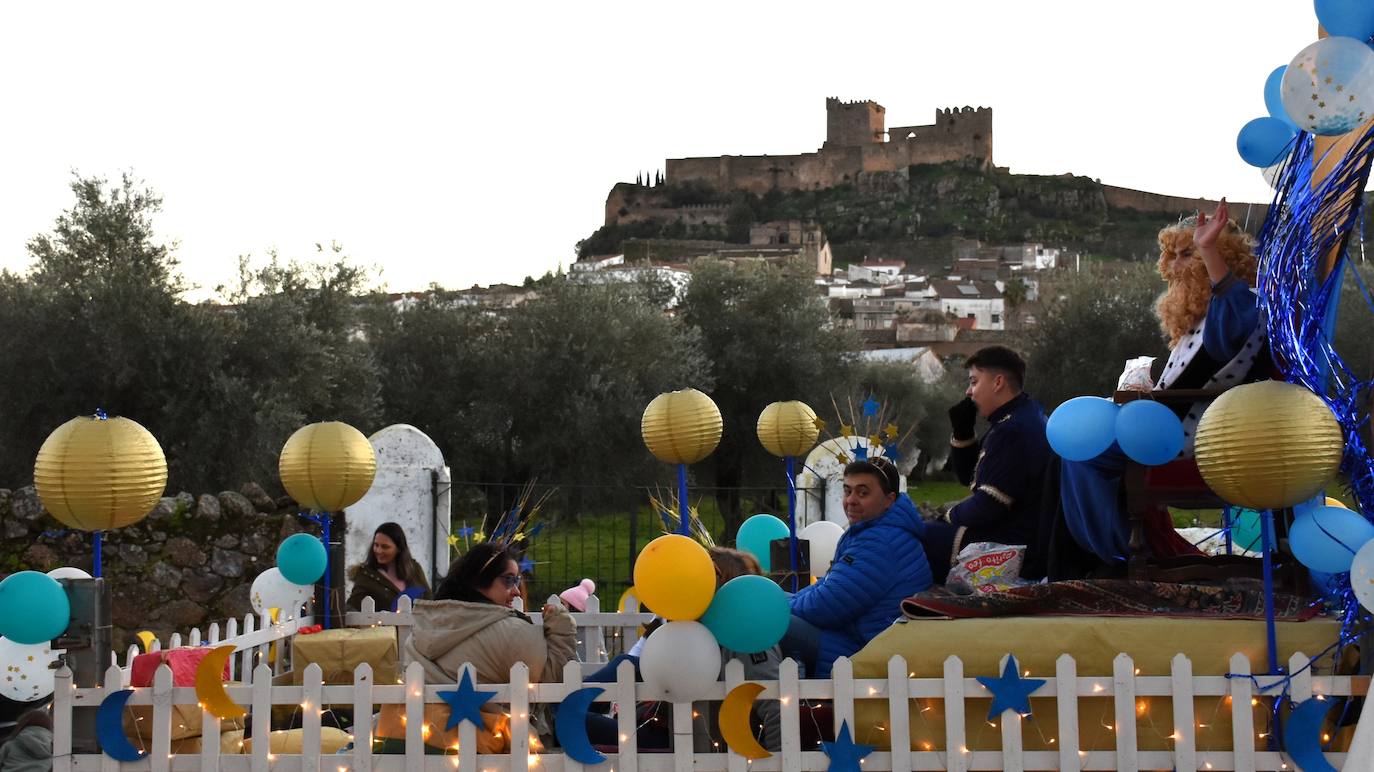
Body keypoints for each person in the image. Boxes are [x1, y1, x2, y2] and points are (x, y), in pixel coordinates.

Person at [1058, 199, 1268, 565]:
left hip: (1197, 438)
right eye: (1171, 256)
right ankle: (1112, 548)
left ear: (1223, 256)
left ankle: (1117, 553)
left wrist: (1207, 248)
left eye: (1186, 255)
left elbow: (1231, 325)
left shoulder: (1239, 305)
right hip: (1169, 424)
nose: (1173, 266)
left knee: (1082, 452)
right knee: (1072, 443)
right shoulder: (1200, 317)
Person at [374, 542, 576, 753]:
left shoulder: (426, 625)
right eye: (509, 580)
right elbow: (554, 683)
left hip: (421, 740)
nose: (516, 590)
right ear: (479, 579)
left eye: (517, 580)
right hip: (488, 747)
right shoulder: (512, 632)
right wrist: (561, 627)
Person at [583, 547, 782, 753]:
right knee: (622, 668)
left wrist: (778, 764)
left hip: (682, 742)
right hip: (668, 730)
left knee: (576, 719)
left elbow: (776, 709)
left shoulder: (746, 641)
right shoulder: (694, 632)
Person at [785, 456, 932, 678]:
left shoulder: (880, 542)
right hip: (854, 636)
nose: (851, 500)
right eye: (847, 491)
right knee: (768, 604)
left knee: (762, 619)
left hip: (858, 647)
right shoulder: (875, 532)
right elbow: (828, 586)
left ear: (889, 499)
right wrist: (783, 599)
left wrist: (779, 606)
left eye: (862, 493)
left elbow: (828, 605)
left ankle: (766, 710)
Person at [923, 345, 1050, 584]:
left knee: (920, 537)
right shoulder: (1019, 417)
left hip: (1017, 542)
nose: (968, 391)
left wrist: (946, 515)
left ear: (998, 382)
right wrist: (963, 431)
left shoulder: (1013, 430)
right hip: (1022, 531)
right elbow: (968, 475)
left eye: (974, 381)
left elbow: (989, 505)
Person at [346, 522, 431, 612]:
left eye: (385, 547)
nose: (378, 550)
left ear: (399, 548)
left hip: (418, 625)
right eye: (376, 545)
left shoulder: (414, 569)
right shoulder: (366, 576)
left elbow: (428, 600)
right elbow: (352, 608)